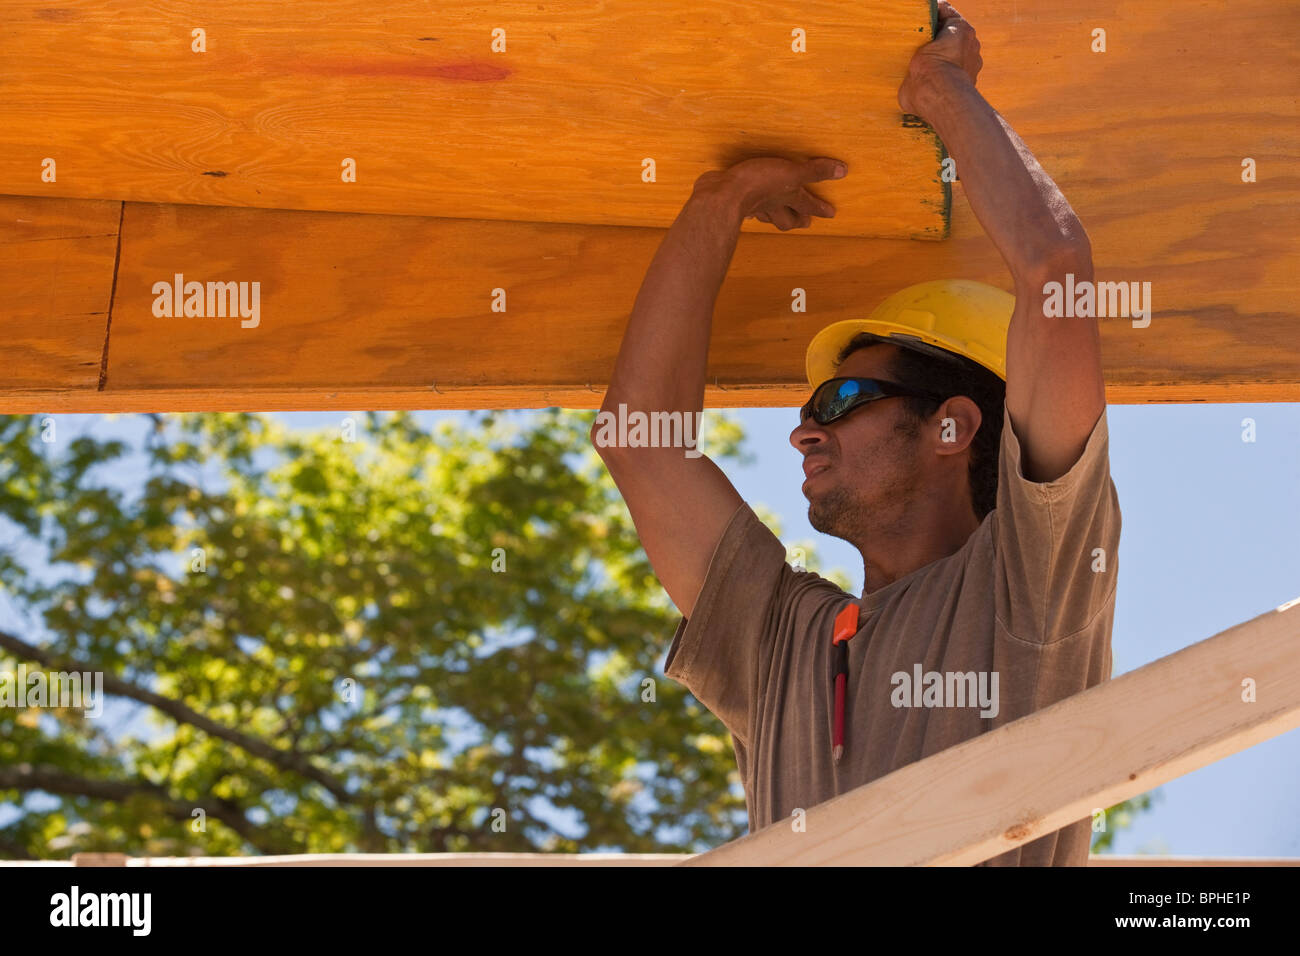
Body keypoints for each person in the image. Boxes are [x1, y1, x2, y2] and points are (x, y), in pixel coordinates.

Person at [591, 1, 1120, 865]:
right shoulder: (782, 641)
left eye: (837, 400)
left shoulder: (1030, 587)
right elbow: (639, 441)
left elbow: (1055, 272)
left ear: (952, 426)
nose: (802, 433)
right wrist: (717, 200)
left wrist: (941, 87)